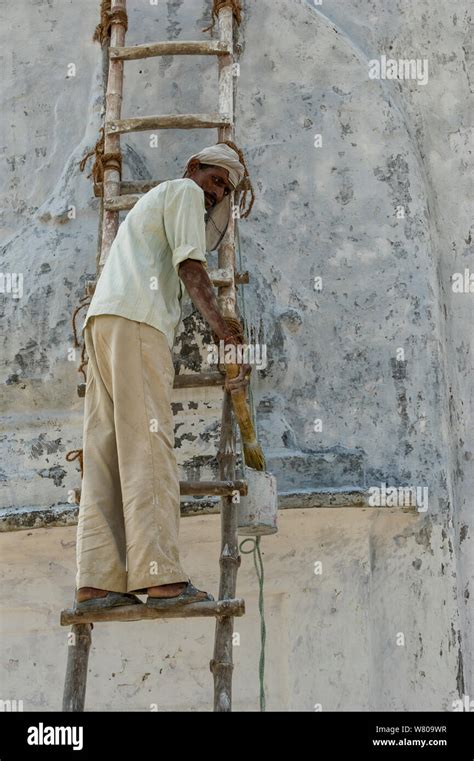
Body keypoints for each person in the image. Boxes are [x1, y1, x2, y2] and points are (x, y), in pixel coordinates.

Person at [74, 143, 251, 612]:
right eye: (215, 181)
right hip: (137, 324)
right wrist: (224, 332)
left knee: (105, 450)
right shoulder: (184, 193)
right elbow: (192, 267)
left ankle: (96, 579)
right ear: (193, 168)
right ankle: (161, 579)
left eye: (223, 190)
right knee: (149, 445)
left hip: (104, 323)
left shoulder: (159, 202)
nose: (215, 195)